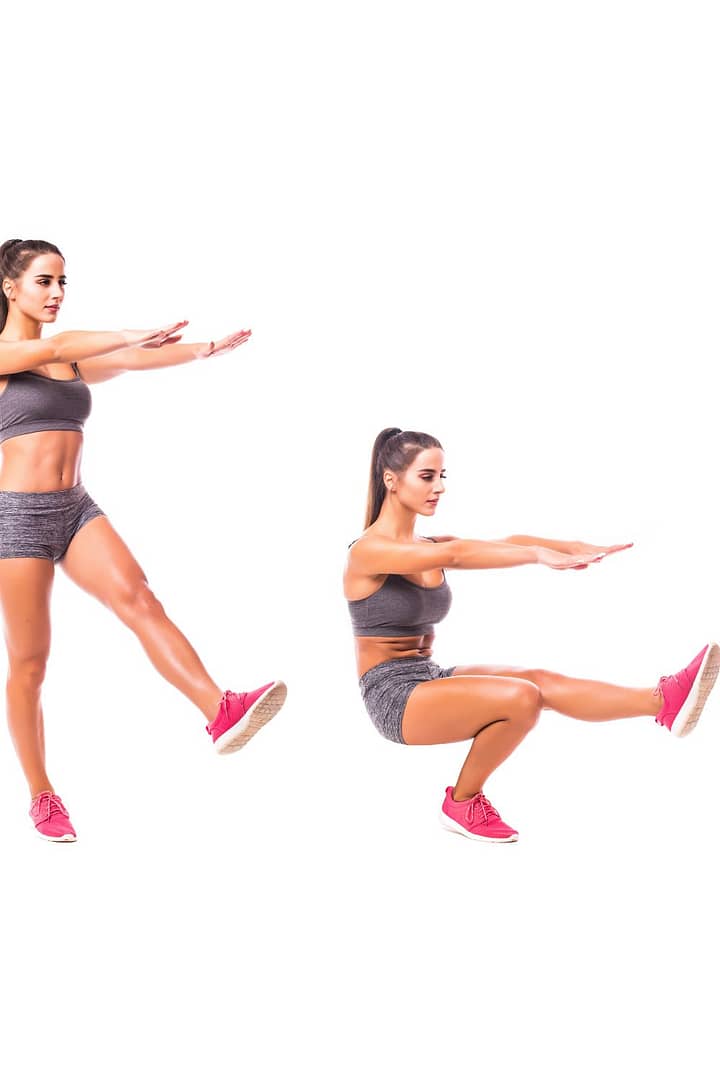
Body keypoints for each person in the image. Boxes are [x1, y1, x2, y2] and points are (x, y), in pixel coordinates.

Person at [0, 238, 287, 842]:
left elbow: (130, 363)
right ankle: (42, 793)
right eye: (44, 282)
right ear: (11, 288)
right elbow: (53, 346)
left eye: (62, 282)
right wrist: (127, 332)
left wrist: (202, 349)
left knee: (141, 600)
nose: (56, 293)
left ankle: (219, 710)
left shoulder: (70, 360)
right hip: (17, 520)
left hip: (75, 508)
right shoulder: (11, 353)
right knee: (30, 663)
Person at [343, 427, 719, 843]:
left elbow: (503, 541)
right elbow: (456, 554)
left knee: (536, 678)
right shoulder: (368, 551)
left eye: (443, 475)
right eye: (427, 476)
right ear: (391, 480)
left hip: (426, 676)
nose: (440, 487)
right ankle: (463, 802)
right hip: (391, 698)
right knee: (522, 698)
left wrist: (571, 545)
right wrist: (538, 557)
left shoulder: (426, 542)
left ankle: (664, 701)